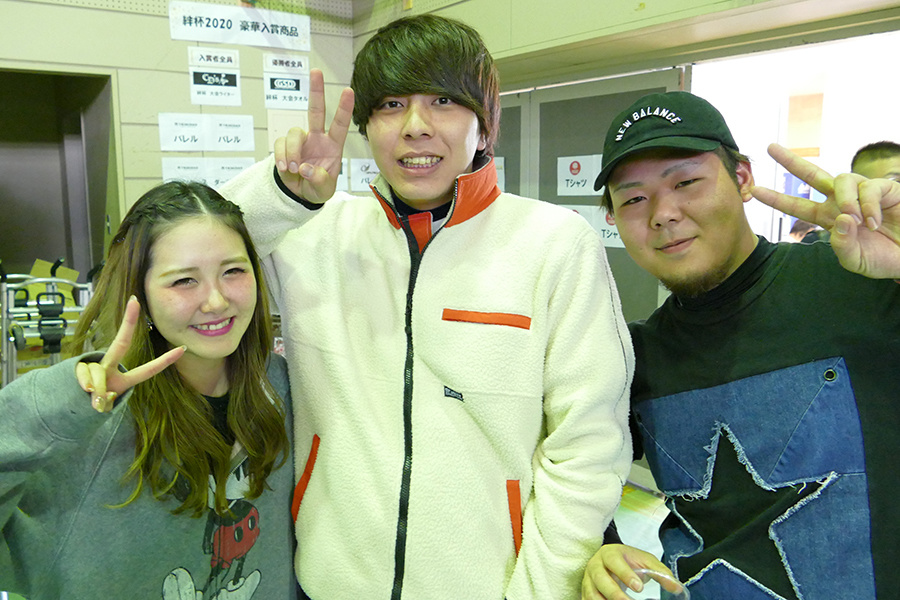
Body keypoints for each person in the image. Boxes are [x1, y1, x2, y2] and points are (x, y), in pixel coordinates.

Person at [221, 14, 633, 600]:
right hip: (331, 583)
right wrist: (283, 194)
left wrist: (543, 591)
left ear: (484, 126)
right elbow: (185, 249)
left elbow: (588, 446)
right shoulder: (313, 235)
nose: (415, 127)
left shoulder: (554, 244)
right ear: (367, 127)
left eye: (443, 101)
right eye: (391, 105)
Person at [582, 91, 900, 600]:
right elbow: (575, 472)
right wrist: (599, 546)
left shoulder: (861, 283)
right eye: (634, 199)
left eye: (686, 182)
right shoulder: (631, 356)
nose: (663, 213)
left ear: (743, 178)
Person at [0, 182, 297, 599]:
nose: (215, 301)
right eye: (184, 281)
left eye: (233, 271)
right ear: (140, 295)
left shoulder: (283, 390)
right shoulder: (91, 430)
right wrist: (53, 408)